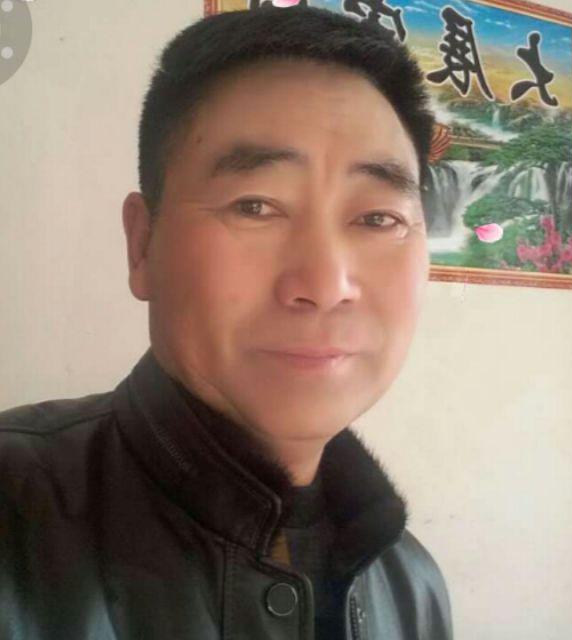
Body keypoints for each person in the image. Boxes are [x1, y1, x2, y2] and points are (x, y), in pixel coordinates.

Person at [0, 6, 453, 639]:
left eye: (378, 218)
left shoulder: (412, 585)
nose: (326, 285)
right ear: (142, 245)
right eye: (256, 206)